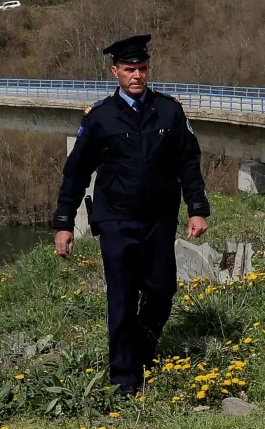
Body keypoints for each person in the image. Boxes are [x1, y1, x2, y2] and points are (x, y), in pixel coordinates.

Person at [53, 34, 210, 396]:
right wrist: (64, 223)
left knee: (161, 290)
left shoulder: (169, 111)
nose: (136, 75)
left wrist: (197, 209)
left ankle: (140, 350)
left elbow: (189, 161)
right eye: (129, 70)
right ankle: (125, 380)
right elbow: (76, 172)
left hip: (158, 218)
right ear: (115, 73)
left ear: (147, 70)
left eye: (141, 69)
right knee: (122, 296)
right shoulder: (100, 117)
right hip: (115, 219)